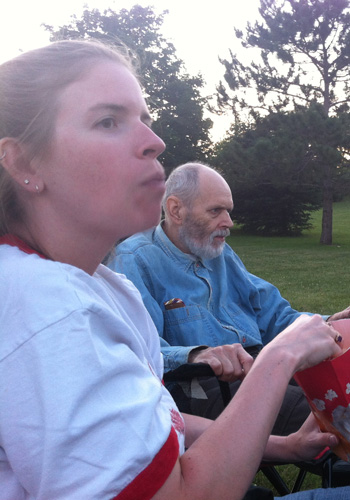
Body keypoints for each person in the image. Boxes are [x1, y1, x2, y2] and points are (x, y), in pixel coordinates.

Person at [0, 40, 349, 500]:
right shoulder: (50, 308)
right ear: (24, 161)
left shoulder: (103, 286)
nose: (156, 141)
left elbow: (156, 417)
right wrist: (276, 358)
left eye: (144, 120)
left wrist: (325, 335)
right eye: (109, 121)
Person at [110, 162, 350, 435]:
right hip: (203, 389)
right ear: (176, 210)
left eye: (228, 211)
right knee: (335, 412)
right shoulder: (134, 261)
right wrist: (198, 355)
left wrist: (327, 323)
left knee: (341, 389)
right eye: (216, 211)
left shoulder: (219, 253)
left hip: (263, 365)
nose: (228, 222)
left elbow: (272, 313)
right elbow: (137, 352)